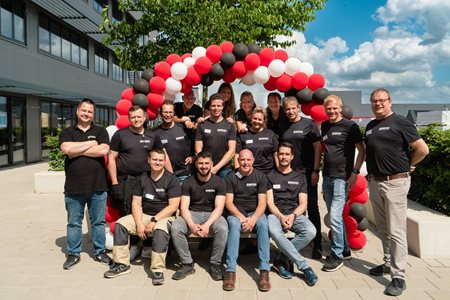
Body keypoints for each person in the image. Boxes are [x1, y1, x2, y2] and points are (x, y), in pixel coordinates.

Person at [365, 88, 428, 296]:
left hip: (395, 183)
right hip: (375, 182)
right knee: (382, 228)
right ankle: (386, 264)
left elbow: (422, 149)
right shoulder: (371, 126)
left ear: (390, 101)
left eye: (382, 100)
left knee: (396, 231)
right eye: (374, 101)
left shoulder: (400, 122)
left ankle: (398, 276)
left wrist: (410, 165)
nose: (378, 104)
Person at [104, 148, 181, 286]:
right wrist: (139, 224)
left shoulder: (172, 179)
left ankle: (157, 270)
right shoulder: (142, 178)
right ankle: (122, 264)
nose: (157, 162)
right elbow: (136, 203)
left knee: (160, 230)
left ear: (164, 161)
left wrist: (154, 220)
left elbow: (173, 206)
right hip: (145, 215)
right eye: (155, 159)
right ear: (149, 160)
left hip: (165, 216)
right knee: (121, 224)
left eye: (160, 160)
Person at [59, 98, 112, 270]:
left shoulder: (101, 131)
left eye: (90, 111)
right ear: (77, 111)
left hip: (98, 186)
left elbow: (103, 150)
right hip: (74, 187)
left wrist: (77, 150)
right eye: (84, 110)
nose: (86, 113)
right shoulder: (67, 132)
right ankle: (73, 253)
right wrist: (90, 144)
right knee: (74, 223)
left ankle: (100, 251)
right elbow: (67, 149)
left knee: (98, 222)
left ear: (93, 114)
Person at [108, 105, 164, 261]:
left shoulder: (153, 136)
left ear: (145, 117)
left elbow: (161, 156)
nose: (136, 119)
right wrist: (114, 183)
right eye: (133, 117)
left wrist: (170, 176)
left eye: (139, 116)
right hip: (126, 180)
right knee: (128, 212)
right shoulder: (120, 135)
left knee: (147, 211)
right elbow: (112, 159)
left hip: (147, 179)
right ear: (129, 118)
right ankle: (133, 246)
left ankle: (146, 246)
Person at [320, 95, 366, 272]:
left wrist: (355, 172)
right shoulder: (324, 125)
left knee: (335, 217)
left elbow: (362, 151)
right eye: (328, 109)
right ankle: (345, 249)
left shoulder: (350, 126)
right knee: (334, 215)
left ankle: (337, 255)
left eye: (334, 108)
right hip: (327, 177)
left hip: (341, 178)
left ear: (340, 108)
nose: (331, 111)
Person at [266, 142, 319, 286]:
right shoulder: (270, 176)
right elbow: (270, 203)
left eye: (287, 154)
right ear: (277, 155)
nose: (283, 157)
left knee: (310, 231)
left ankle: (281, 258)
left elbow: (303, 203)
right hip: (275, 214)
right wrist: (281, 216)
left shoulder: (300, 176)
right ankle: (304, 266)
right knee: (275, 232)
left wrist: (293, 216)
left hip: (295, 214)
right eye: (281, 154)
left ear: (292, 156)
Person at [170, 151, 228, 281]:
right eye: (200, 163)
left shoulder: (219, 182)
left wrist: (207, 224)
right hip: (192, 213)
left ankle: (215, 264)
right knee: (176, 228)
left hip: (212, 215)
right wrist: (191, 224)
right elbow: (184, 207)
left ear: (212, 164)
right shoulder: (188, 182)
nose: (203, 166)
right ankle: (187, 264)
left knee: (223, 228)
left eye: (207, 163)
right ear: (196, 164)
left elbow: (219, 208)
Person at [223, 149, 271, 292]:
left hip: (255, 213)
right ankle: (230, 271)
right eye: (242, 160)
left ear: (253, 161)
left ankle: (264, 271)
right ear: (238, 161)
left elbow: (263, 203)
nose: (245, 163)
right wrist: (243, 218)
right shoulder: (230, 177)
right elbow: (229, 203)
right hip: (236, 213)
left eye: (248, 160)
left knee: (263, 224)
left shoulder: (260, 176)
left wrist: (253, 219)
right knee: (233, 224)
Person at [281, 96, 323, 259]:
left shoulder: (309, 124)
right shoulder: (283, 125)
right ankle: (299, 240)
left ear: (298, 107)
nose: (290, 111)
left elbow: (318, 148)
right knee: (294, 207)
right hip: (290, 173)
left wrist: (315, 170)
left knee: (312, 208)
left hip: (306, 173)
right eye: (287, 109)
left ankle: (317, 244)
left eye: (293, 108)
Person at [195, 93, 236, 179]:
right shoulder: (202, 125)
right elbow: (198, 150)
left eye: (218, 106)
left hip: (225, 169)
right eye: (213, 106)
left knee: (224, 192)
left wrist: (216, 168)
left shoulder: (230, 125)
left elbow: (232, 150)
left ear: (222, 107)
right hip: (205, 169)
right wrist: (206, 165)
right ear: (209, 107)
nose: (216, 108)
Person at [155, 101, 194, 182]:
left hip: (184, 175)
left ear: (174, 113)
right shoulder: (155, 133)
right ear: (161, 114)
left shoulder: (184, 128)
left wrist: (194, 157)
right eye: (165, 112)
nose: (168, 115)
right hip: (165, 176)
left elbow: (197, 143)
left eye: (170, 112)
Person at [236, 107, 278, 173]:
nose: (257, 121)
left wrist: (278, 170)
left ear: (264, 121)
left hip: (268, 172)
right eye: (255, 118)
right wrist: (238, 172)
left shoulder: (270, 134)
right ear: (251, 119)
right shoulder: (243, 135)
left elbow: (276, 153)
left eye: (260, 119)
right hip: (249, 172)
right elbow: (237, 155)